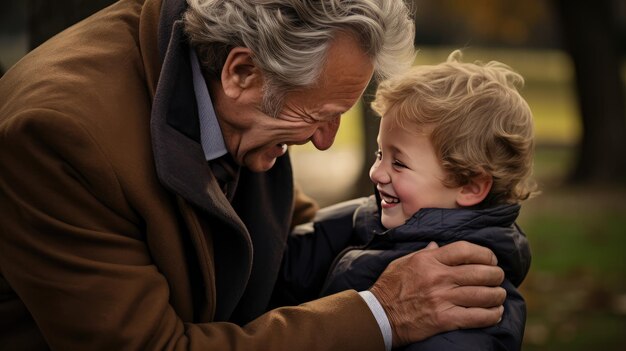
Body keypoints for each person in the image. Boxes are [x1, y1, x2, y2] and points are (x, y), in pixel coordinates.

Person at [0, 1, 508, 350]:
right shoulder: (61, 139)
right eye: (318, 114)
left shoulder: (245, 90)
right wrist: (383, 315)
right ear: (241, 73)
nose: (325, 139)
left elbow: (278, 237)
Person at [281, 50, 536, 350]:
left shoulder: (469, 304)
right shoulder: (370, 221)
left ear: (470, 186)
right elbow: (283, 264)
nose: (376, 173)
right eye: (379, 154)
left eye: (399, 163)